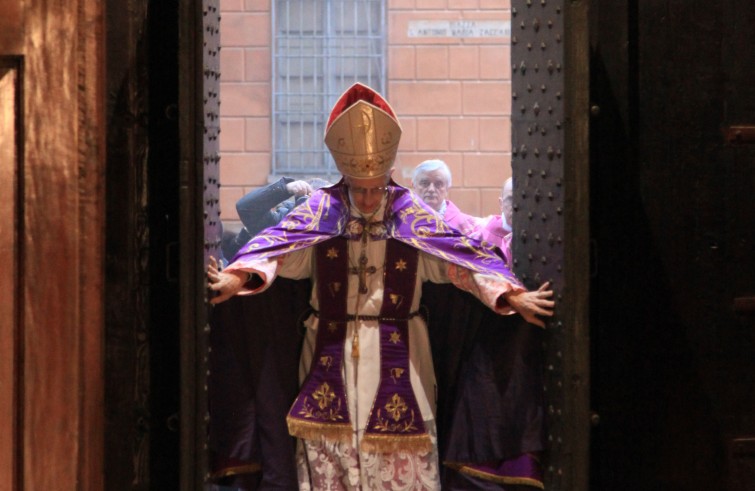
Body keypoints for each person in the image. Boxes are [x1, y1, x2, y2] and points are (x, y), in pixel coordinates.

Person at [207, 83, 553, 490]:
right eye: (359, 188)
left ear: (390, 176)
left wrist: (511, 294)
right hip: (328, 348)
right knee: (327, 458)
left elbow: (461, 264)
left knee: (399, 458)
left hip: (403, 352)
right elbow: (280, 254)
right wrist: (238, 276)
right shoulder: (321, 211)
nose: (369, 200)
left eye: (376, 189)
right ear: (344, 178)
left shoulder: (414, 218)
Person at [224, 177, 331, 258]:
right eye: (311, 201)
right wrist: (285, 188)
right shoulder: (281, 222)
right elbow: (246, 208)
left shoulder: (338, 224)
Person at [411, 159, 480, 236]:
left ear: (447, 188)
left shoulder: (466, 225)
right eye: (424, 183)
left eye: (438, 184)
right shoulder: (402, 220)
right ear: (414, 186)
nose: (431, 189)